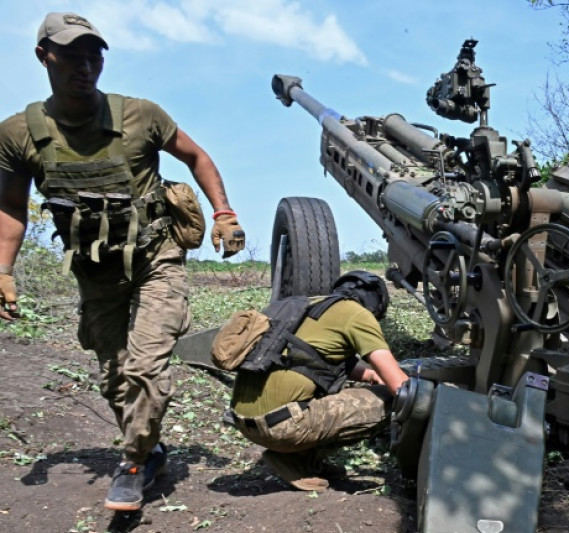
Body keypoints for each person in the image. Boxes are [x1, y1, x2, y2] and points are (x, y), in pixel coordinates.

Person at [0, 13, 246, 511]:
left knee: (145, 367)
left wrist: (224, 213)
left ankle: (132, 464)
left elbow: (196, 157)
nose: (85, 67)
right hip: (95, 271)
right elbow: (10, 208)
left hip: (158, 257)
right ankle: (150, 450)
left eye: (94, 56)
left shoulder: (140, 116)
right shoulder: (19, 133)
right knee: (113, 376)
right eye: (72, 56)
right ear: (44, 56)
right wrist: (3, 270)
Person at [226, 271, 409, 492]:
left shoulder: (307, 305)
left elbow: (310, 359)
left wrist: (370, 375)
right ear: (375, 305)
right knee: (391, 400)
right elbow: (401, 387)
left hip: (244, 422)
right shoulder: (358, 314)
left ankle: (295, 454)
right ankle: (296, 457)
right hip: (282, 427)